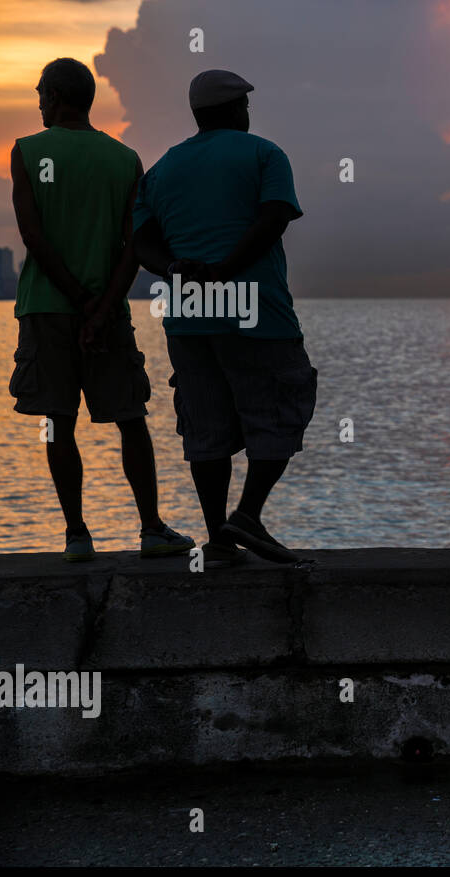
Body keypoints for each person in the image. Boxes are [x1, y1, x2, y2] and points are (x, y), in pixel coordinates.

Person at [8, 57, 193, 562]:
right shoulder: (125, 159)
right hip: (109, 313)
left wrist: (77, 299)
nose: (39, 99)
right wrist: (102, 306)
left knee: (58, 421)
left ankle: (76, 536)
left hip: (47, 309)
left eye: (43, 91)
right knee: (130, 416)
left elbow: (33, 237)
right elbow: (134, 245)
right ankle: (152, 529)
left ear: (59, 96)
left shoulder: (26, 152)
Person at [133, 69, 316, 566]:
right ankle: (249, 515)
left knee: (206, 424)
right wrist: (227, 270)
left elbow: (143, 241)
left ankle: (218, 538)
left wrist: (173, 268)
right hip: (255, 309)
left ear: (197, 115)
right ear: (239, 110)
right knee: (280, 409)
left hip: (189, 312)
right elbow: (274, 216)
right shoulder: (265, 154)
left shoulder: (163, 169)